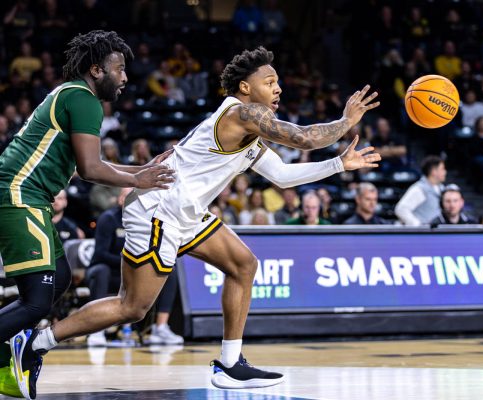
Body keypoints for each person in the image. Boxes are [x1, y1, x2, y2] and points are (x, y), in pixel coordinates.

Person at [18, 47, 380, 393]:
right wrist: (346, 121)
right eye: (270, 81)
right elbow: (302, 138)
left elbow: (282, 176)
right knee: (132, 307)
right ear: (245, 87)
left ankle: (230, 363)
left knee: (243, 265)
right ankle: (38, 341)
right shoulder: (241, 113)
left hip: (186, 211)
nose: (278, 88)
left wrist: (339, 164)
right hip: (160, 208)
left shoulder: (249, 129)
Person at [0, 30, 175, 400]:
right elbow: (91, 168)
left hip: (27, 195)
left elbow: (87, 164)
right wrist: (138, 175)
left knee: (59, 277)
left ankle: (8, 353)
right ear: (96, 70)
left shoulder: (71, 95)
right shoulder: (83, 99)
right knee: (36, 300)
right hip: (18, 193)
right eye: (119, 68)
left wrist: (137, 170)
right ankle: (11, 350)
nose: (125, 77)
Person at [85, 188, 183, 347]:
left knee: (169, 270)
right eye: (129, 196)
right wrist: (130, 262)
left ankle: (161, 327)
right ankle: (97, 331)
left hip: (134, 271)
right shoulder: (108, 219)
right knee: (102, 271)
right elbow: (101, 254)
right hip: (110, 271)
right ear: (120, 200)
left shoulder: (148, 219)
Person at [395, 155, 446, 226]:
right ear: (434, 171)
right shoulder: (419, 188)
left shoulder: (442, 188)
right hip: (421, 235)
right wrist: (418, 226)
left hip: (434, 234)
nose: (445, 172)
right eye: (442, 169)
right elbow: (401, 209)